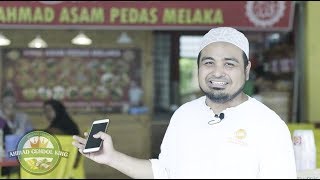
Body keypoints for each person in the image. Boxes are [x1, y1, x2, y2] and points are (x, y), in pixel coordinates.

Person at [72, 27, 297, 178]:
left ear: (246, 70)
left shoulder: (269, 125)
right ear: (198, 67)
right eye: (209, 62)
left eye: (229, 64)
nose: (217, 73)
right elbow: (164, 171)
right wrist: (111, 157)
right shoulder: (184, 114)